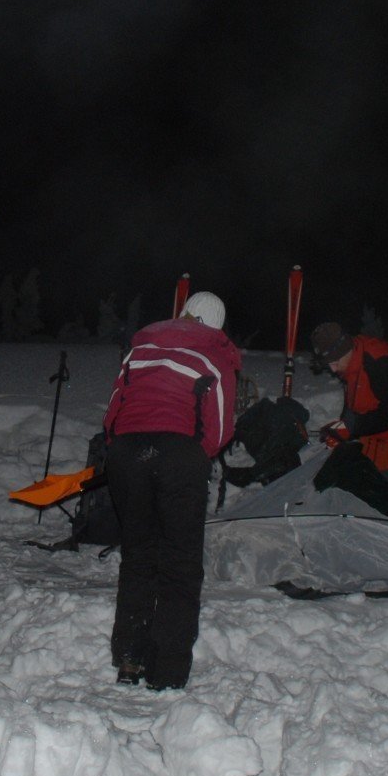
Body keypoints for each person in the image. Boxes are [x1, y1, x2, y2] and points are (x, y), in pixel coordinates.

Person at [102, 289, 240, 690]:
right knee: (179, 566)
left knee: (139, 558)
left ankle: (129, 660)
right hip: (179, 456)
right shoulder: (214, 354)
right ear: (215, 325)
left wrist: (123, 451)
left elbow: (113, 411)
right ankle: (168, 672)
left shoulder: (140, 349)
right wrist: (194, 458)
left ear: (183, 312)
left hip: (127, 455)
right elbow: (219, 428)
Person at [307, 322, 388, 490]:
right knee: (365, 487)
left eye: (335, 362)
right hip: (373, 436)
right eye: (328, 364)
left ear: (346, 350)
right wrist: (339, 429)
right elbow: (356, 405)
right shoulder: (351, 361)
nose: (333, 369)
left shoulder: (381, 361)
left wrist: (352, 427)